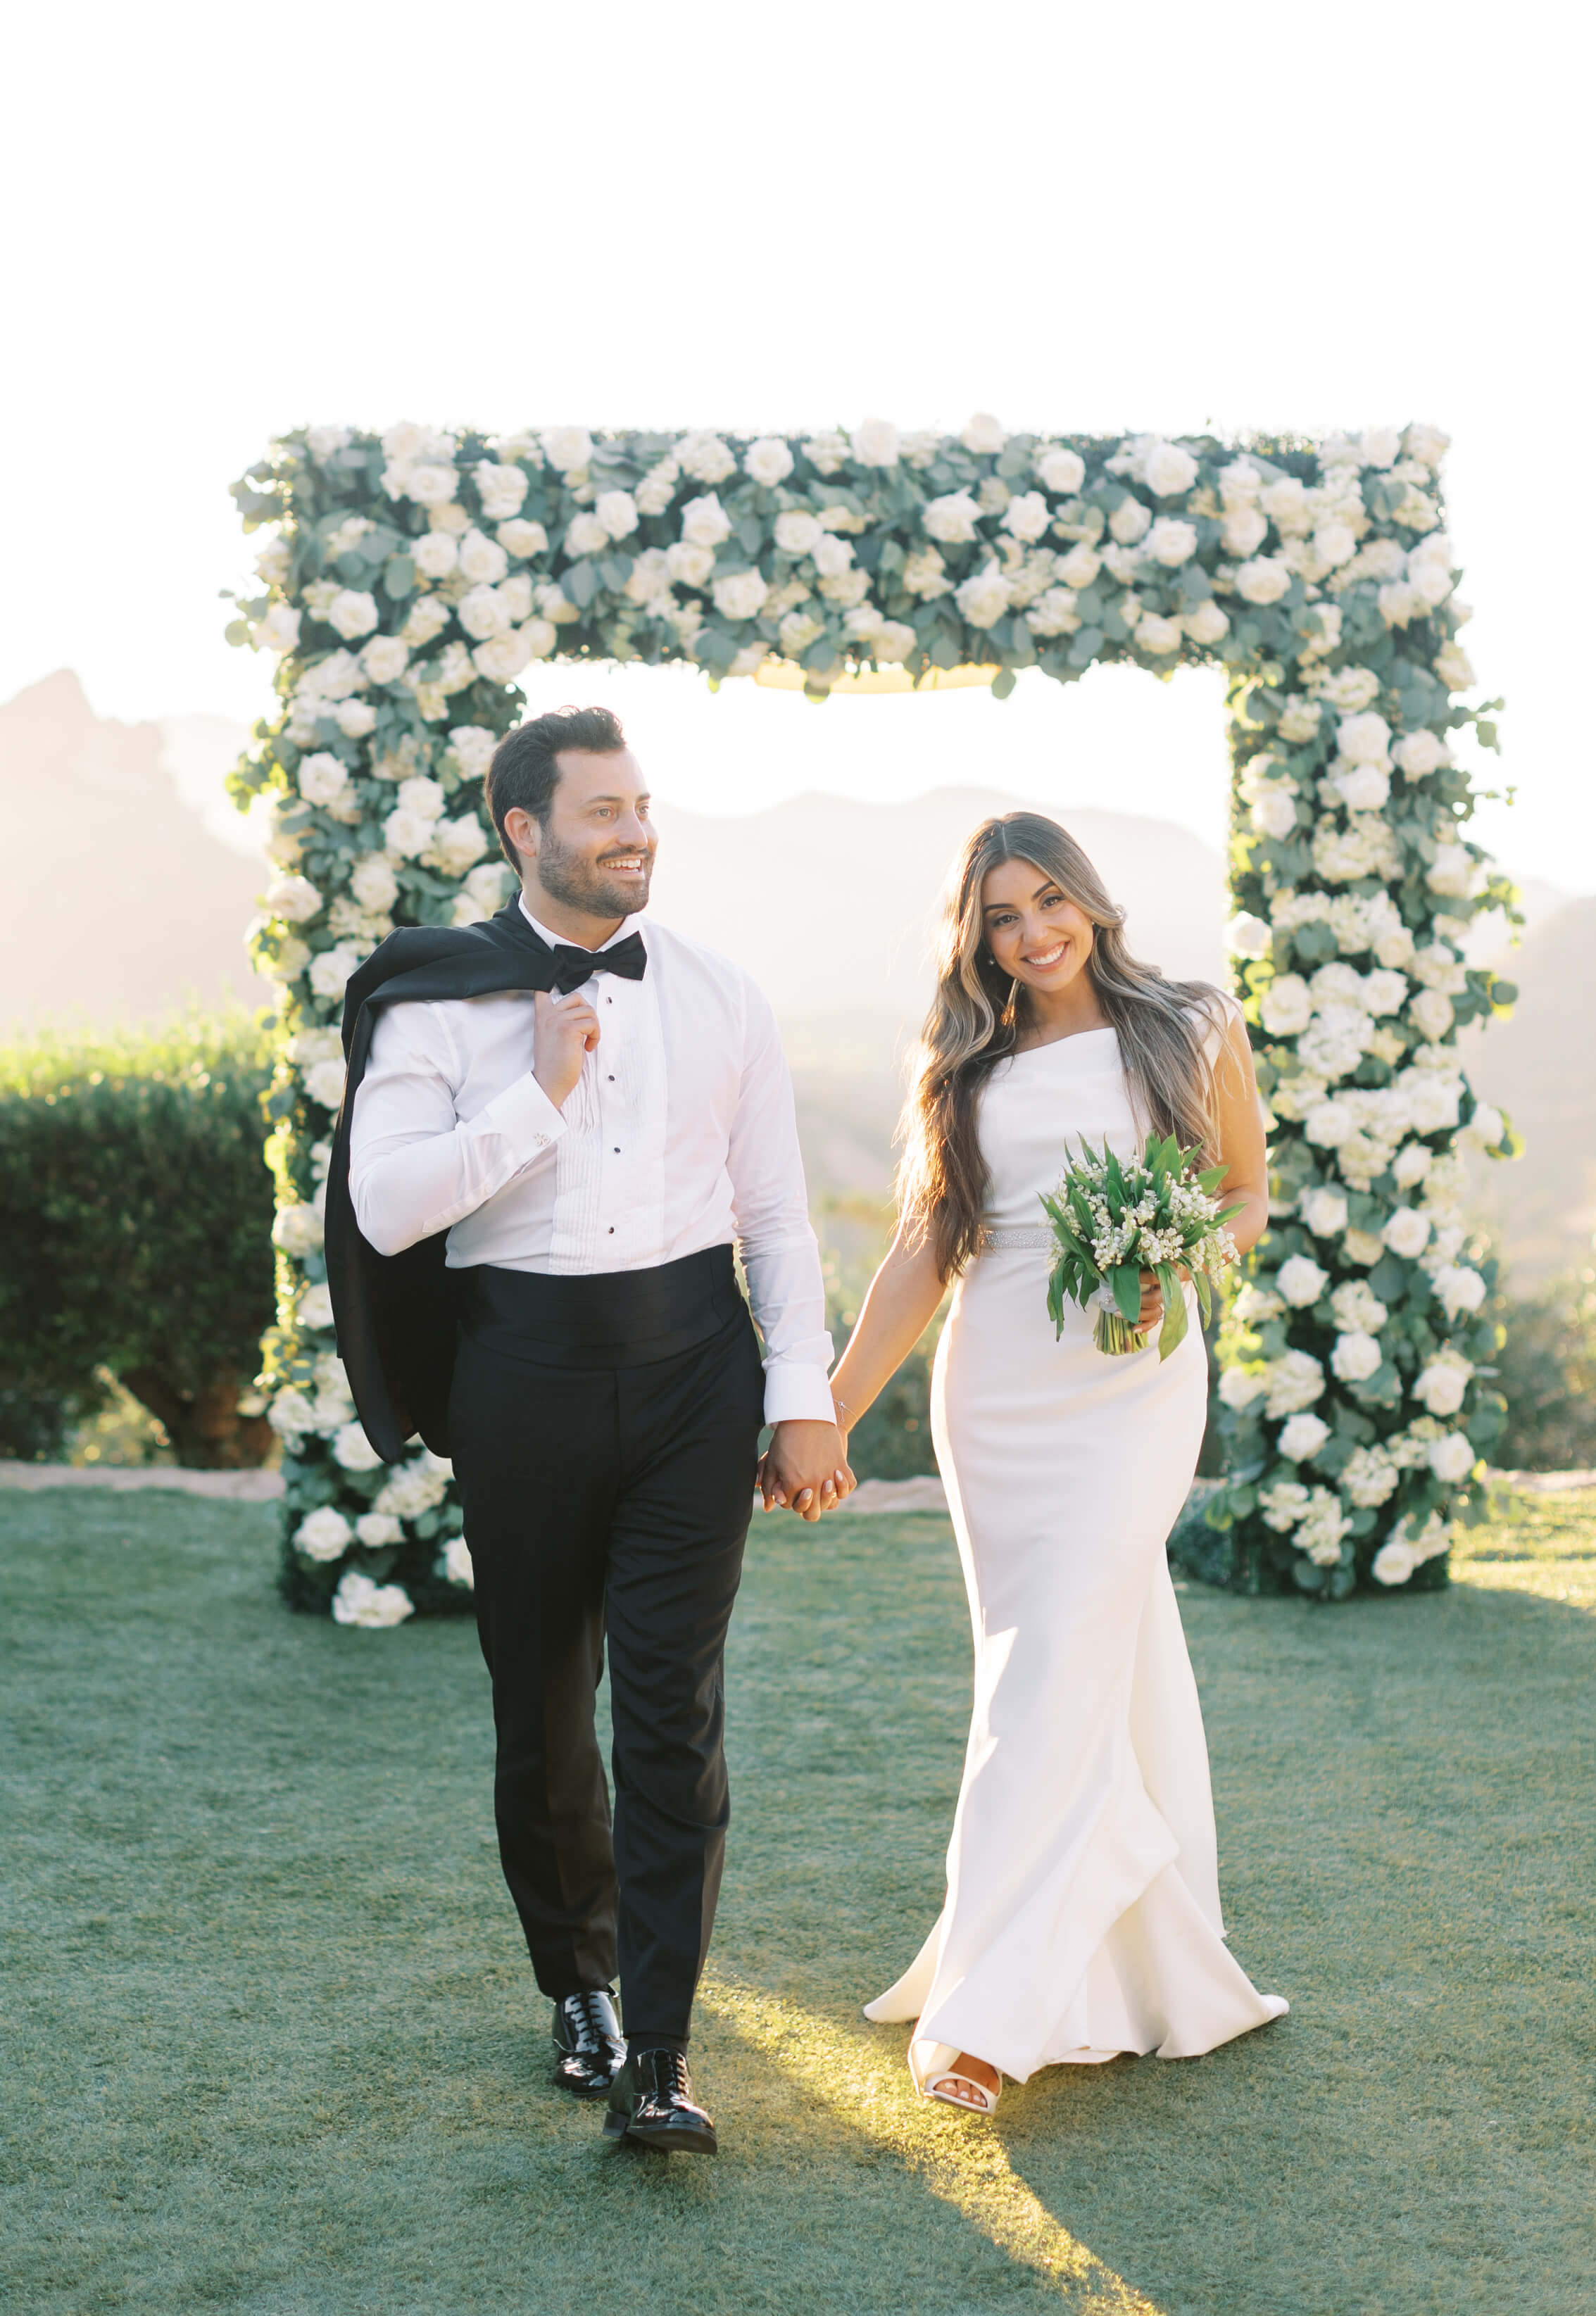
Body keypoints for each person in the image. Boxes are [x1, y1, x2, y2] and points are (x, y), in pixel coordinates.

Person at [333, 705, 852, 2156]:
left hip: (694, 1370)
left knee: (673, 1708)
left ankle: (666, 2053)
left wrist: (798, 1394)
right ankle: (579, 1982)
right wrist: (533, 1094)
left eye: (643, 806)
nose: (637, 832)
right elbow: (387, 1207)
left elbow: (773, 1214)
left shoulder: (721, 991)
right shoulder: (439, 1003)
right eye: (605, 811)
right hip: (524, 1376)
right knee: (544, 1702)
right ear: (525, 831)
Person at [822, 811, 1288, 2113]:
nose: (1033, 936)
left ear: (1090, 897)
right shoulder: (962, 1063)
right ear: (974, 941)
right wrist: (832, 1410)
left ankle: (988, 2016)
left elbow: (1244, 1191)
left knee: (1052, 1672)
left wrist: (1177, 1256)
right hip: (1000, 1395)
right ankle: (1125, 1968)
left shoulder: (1191, 1024)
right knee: (1056, 1665)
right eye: (1001, 920)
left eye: (1048, 903)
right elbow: (924, 1254)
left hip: (1133, 1382)